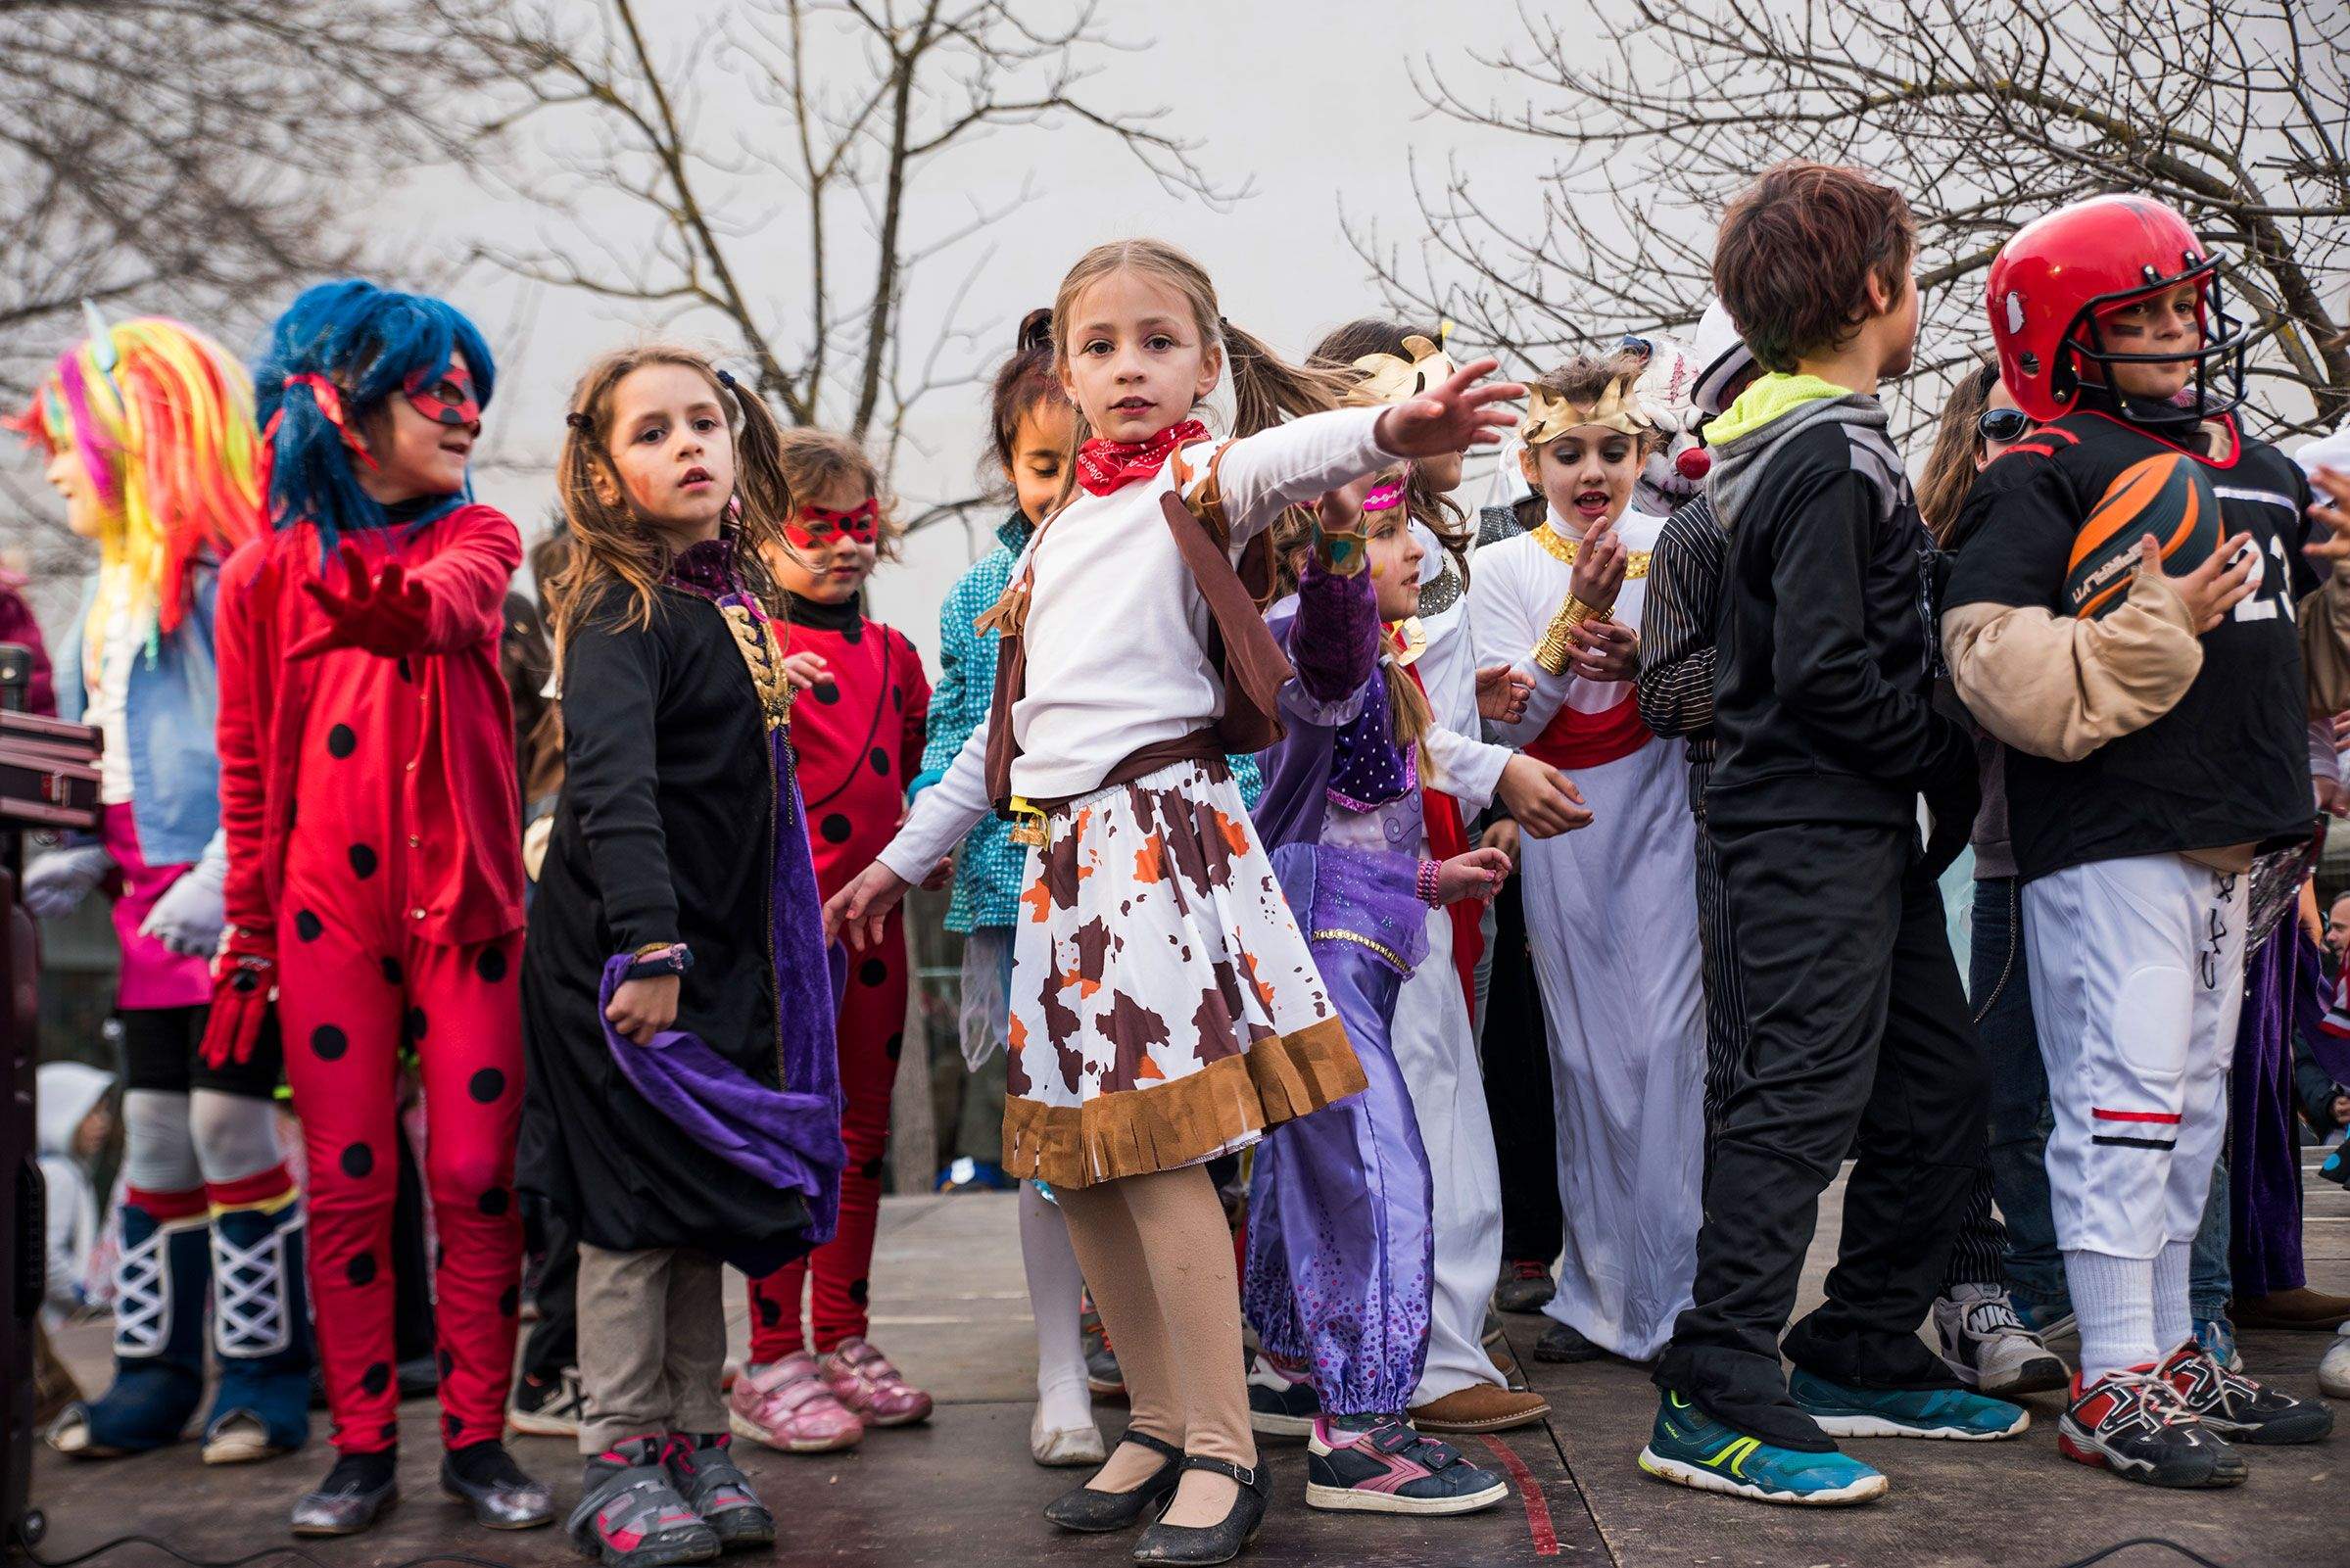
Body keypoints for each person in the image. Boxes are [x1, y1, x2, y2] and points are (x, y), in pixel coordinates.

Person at [826, 238, 1518, 1566]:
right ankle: (1154, 1417)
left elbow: (1283, 461)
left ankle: (1220, 1442)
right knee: (1076, 1163)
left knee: (1154, 1154)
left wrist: (1391, 424)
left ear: (1204, 364)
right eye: (1099, 346)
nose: (1127, 366)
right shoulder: (1056, 533)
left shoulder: (1196, 476)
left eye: (1157, 341)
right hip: (1060, 865)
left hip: (1158, 843)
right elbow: (997, 744)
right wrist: (903, 860)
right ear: (1064, 375)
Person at [1943, 192, 2346, 1486]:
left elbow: (2306, 676)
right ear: (2063, 340)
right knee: (2116, 1111)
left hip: (2232, 841)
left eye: (2185, 305)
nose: (2181, 333)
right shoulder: (2035, 468)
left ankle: (2169, 1349)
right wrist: (2147, 617)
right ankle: (2109, 1375)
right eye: (2143, 316)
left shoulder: (2265, 468)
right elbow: (1990, 662)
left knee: (2184, 1113)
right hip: (2108, 833)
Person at [1644, 162, 2028, 1508]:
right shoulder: (1813, 450)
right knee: (1792, 1102)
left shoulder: (1818, 432)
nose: (1916, 300)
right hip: (1794, 832)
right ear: (1875, 290)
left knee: (1936, 1089)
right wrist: (1935, 746)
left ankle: (1854, 1342)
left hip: (1854, 828)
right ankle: (1712, 1385)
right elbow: (1817, 674)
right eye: (1912, 276)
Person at [211, 280, 552, 1535]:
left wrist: (377, 598)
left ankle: (475, 1435)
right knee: (349, 1180)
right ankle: (359, 1445)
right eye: (430, 387)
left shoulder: (483, 536)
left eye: (468, 385)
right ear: (346, 410)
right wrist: (247, 935)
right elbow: (246, 761)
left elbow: (453, 607)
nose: (463, 405)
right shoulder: (259, 574)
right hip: (321, 920)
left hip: (464, 909)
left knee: (471, 1171)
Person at [524, 343, 846, 1568]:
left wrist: (775, 668)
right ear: (602, 475)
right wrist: (648, 948)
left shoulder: (719, 600)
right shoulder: (615, 605)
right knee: (630, 1212)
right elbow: (614, 788)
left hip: (705, 952)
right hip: (624, 957)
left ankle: (693, 1437)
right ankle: (618, 1446)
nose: (688, 446)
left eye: (702, 421)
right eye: (650, 432)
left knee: (697, 1198)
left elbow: (711, 720)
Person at [13, 316, 314, 1466]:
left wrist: (233, 867)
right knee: (151, 1133)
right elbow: (107, 752)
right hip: (148, 916)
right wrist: (86, 847)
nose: (49, 469)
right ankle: (152, 1372)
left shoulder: (230, 583)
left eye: (64, 444)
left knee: (229, 1119)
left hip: (230, 909)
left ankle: (266, 1375)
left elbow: (273, 746)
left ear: (141, 439)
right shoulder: (111, 595)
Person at [1293, 322, 1568, 1439]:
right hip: (1359, 915)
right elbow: (1363, 754)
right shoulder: (1325, 593)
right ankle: (1415, 1354)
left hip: (1404, 892)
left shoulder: (1377, 595)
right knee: (1413, 1122)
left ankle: (1396, 1341)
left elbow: (1411, 735)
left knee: (1424, 1112)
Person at [1242, 471, 1531, 1514]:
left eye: (1407, 529)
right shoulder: (1305, 639)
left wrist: (1427, 880)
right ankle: (1361, 1434)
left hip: (1343, 946)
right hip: (1320, 964)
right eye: (1383, 531)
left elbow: (1330, 828)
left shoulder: (1371, 662)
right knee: (1375, 1175)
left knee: (1314, 1167)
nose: (1413, 550)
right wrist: (1333, 574)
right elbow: (1276, 827)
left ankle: (1290, 1366)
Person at [1469, 352, 1706, 1369]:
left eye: (1612, 449)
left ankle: (1675, 1296)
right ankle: (1594, 1291)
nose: (1591, 472)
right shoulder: (1500, 569)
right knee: (1579, 1057)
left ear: (1644, 452)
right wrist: (1570, 626)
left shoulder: (1680, 547)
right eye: (1567, 453)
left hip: (1661, 812)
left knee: (1663, 1054)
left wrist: (1651, 657)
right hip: (1562, 822)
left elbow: (1712, 674)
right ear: (1531, 464)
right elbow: (1505, 713)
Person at [914, 309, 1116, 1467]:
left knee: (1150, 1137)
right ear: (1010, 464)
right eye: (1042, 467)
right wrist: (956, 846)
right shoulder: (971, 596)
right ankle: (1056, 1371)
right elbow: (957, 739)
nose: (1062, 488)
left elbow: (1224, 738)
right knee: (1043, 1142)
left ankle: (1144, 1337)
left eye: (1081, 461)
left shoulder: (1163, 559)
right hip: (1026, 901)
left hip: (1150, 890)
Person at [726, 427, 934, 1449]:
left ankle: (843, 1334)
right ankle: (772, 1354)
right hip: (782, 942)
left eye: (860, 525)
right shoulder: (743, 649)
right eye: (819, 528)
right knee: (786, 1138)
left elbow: (928, 777)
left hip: (878, 934)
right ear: (762, 534)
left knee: (861, 1141)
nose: (844, 546)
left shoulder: (894, 657)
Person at [1906, 362, 2074, 1397]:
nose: (2027, 439)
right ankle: (2021, 1278)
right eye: (2006, 421)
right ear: (1969, 436)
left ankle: (2166, 1298)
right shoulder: (1941, 554)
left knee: (2121, 1090)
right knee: (1996, 1084)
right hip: (1978, 850)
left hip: (2090, 847)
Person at [36, 1062, 117, 1329]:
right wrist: (84, 1297)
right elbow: (46, 1254)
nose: (102, 1122)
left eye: (104, 1111)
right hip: (58, 1323)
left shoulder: (65, 1171)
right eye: (91, 1113)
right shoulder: (59, 1175)